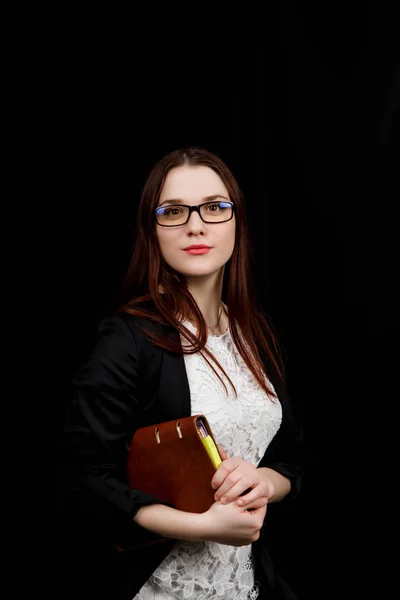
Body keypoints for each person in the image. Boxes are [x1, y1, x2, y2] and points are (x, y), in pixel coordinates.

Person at [57, 147, 304, 600]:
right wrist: (202, 525)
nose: (196, 224)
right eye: (173, 211)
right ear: (152, 230)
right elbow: (84, 478)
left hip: (248, 583)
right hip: (157, 585)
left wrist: (263, 482)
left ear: (237, 222)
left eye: (214, 207)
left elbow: (292, 457)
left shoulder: (254, 332)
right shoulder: (126, 339)